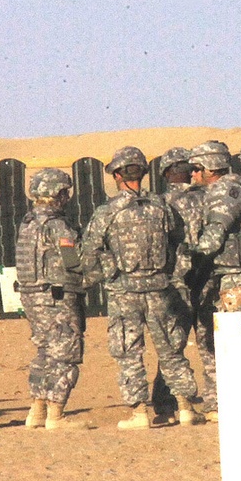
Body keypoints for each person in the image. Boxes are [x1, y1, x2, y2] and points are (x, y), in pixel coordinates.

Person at [81, 146, 203, 429]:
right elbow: (180, 244)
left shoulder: (108, 212)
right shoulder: (162, 207)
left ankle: (139, 414)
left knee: (128, 352)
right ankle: (185, 408)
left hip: (124, 293)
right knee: (171, 350)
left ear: (118, 175)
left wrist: (109, 272)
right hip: (160, 289)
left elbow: (89, 253)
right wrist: (170, 274)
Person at [189, 140, 241, 419]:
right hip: (227, 275)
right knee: (227, 340)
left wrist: (189, 255)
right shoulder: (229, 188)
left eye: (197, 169)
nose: (193, 175)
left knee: (238, 341)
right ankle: (228, 402)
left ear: (212, 167)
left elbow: (215, 234)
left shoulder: (226, 191)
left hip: (236, 276)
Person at [15, 168, 87, 430]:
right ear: (58, 193)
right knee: (65, 354)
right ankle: (55, 416)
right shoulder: (57, 226)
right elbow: (72, 262)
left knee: (44, 352)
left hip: (33, 298)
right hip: (57, 298)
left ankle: (36, 412)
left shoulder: (27, 223)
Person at [150, 146, 209, 424]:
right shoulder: (210, 198)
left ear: (165, 173)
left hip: (175, 280)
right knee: (210, 343)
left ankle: (165, 404)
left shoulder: (159, 204)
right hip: (209, 277)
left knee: (173, 345)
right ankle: (217, 401)